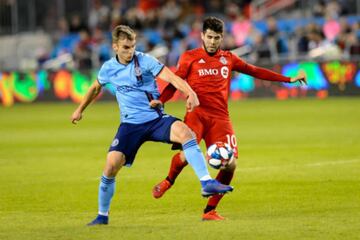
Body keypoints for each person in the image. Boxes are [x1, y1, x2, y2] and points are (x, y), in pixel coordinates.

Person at [71, 25, 233, 226]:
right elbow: (95, 88)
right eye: (125, 48)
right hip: (130, 125)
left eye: (132, 47)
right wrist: (80, 110)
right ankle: (102, 216)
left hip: (155, 119)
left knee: (186, 133)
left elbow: (172, 77)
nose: (130, 51)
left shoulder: (146, 61)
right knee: (111, 166)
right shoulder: (108, 68)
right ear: (115, 47)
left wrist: (190, 93)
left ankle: (206, 182)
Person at [151, 17, 307, 221]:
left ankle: (210, 211)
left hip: (220, 119)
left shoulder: (228, 58)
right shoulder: (189, 57)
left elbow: (255, 71)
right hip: (196, 114)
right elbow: (175, 83)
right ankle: (168, 181)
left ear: (222, 38)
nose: (213, 42)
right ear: (202, 36)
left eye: (217, 38)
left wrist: (288, 79)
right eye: (209, 37)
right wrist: (161, 101)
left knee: (230, 164)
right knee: (185, 156)